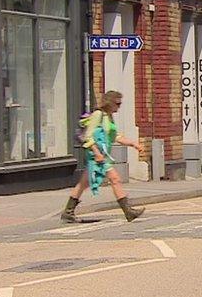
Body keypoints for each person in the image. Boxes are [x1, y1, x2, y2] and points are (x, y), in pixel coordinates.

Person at [61, 90, 145, 223]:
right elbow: (88, 136)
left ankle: (68, 212)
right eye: (117, 103)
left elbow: (115, 136)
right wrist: (96, 152)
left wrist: (133, 143)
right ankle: (128, 211)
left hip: (101, 155)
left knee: (84, 183)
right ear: (110, 103)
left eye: (120, 103)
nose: (119, 106)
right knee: (115, 179)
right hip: (97, 155)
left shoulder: (109, 117)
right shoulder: (98, 115)